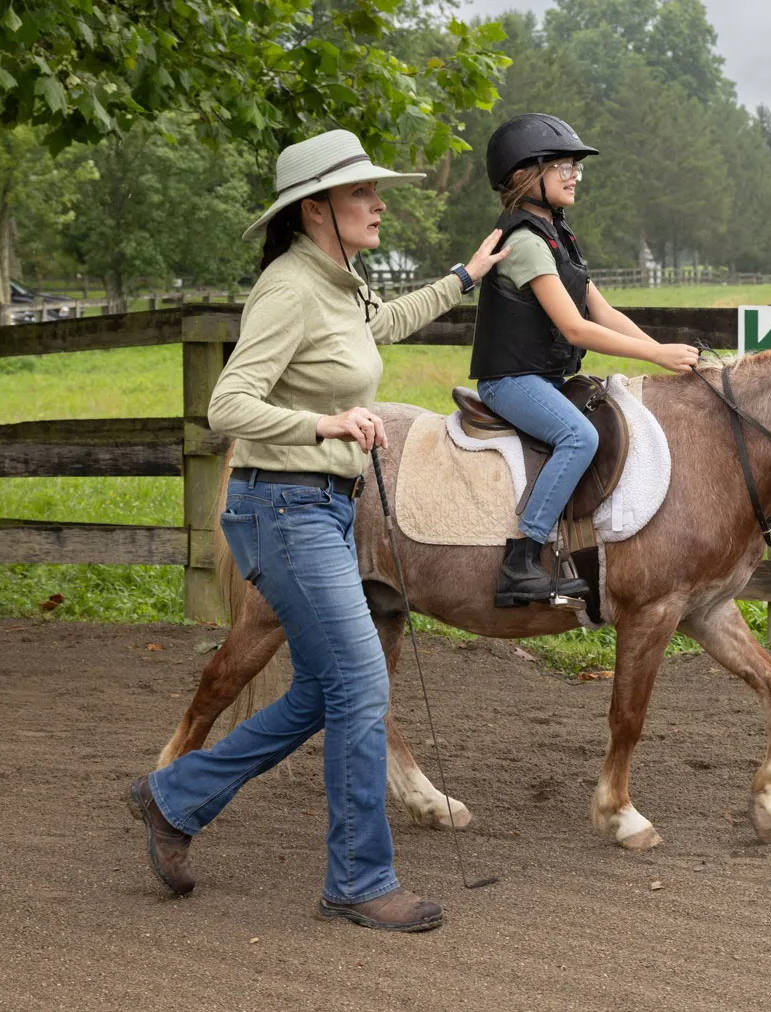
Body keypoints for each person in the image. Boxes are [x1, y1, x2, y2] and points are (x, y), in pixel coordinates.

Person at [127, 129, 510, 932]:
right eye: (361, 193)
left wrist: (463, 276)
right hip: (281, 506)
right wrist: (325, 423)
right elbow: (226, 405)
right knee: (363, 688)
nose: (378, 203)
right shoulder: (289, 287)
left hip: (322, 509)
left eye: (375, 191)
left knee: (321, 690)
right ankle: (359, 879)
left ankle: (172, 797)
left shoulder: (340, 282)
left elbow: (383, 322)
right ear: (315, 209)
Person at [471, 113, 700, 607]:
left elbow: (602, 310)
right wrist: (657, 352)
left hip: (545, 377)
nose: (575, 174)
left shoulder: (558, 236)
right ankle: (521, 561)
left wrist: (662, 357)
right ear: (525, 175)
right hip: (510, 379)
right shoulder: (526, 242)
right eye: (563, 165)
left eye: (577, 166)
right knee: (579, 435)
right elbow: (576, 328)